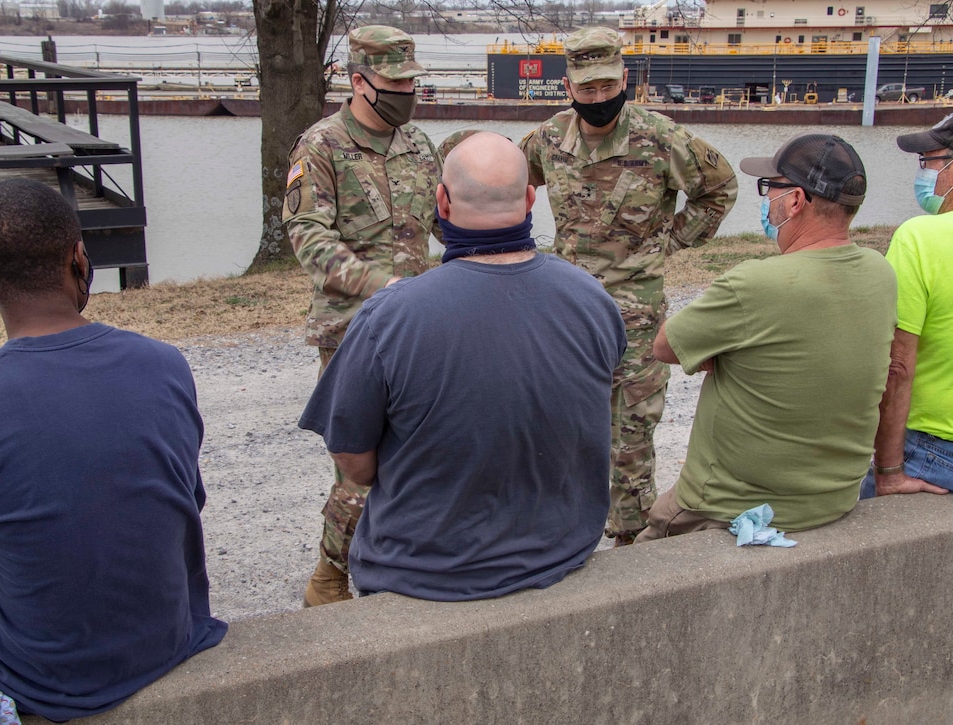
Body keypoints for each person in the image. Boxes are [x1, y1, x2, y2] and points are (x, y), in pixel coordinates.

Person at [0, 179, 227, 721]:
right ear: (80, 259)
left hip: (41, 675)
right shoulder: (166, 366)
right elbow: (177, 502)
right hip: (171, 637)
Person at [298, 132, 626, 600]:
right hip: (562, 555)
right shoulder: (593, 299)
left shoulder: (390, 316)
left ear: (441, 203)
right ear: (532, 200)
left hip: (422, 575)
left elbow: (353, 460)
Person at [519, 26, 737, 545]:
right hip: (567, 308)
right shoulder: (549, 138)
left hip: (635, 313)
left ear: (625, 80)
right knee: (561, 420)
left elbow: (719, 188)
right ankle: (558, 530)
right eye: (587, 89)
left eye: (607, 86)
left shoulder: (661, 137)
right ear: (569, 87)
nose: (599, 99)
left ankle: (630, 539)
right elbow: (510, 184)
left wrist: (669, 241)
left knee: (631, 430)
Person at [635, 134, 896, 541]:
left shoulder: (757, 283)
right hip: (835, 497)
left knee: (643, 552)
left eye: (768, 189)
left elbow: (665, 345)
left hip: (731, 504)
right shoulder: (880, 271)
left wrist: (722, 352)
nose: (765, 203)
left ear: (794, 201)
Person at [284, 25, 442, 607]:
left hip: (419, 329)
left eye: (411, 82)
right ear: (359, 81)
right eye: (394, 83)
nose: (406, 92)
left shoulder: (420, 146)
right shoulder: (320, 146)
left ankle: (406, 562)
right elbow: (307, 236)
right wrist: (385, 287)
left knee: (421, 451)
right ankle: (329, 576)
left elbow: (441, 226)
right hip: (352, 333)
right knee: (358, 466)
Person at [860, 110, 953, 498]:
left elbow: (897, 368)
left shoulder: (921, 237)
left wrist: (890, 471)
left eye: (928, 161)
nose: (923, 172)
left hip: (946, 454)